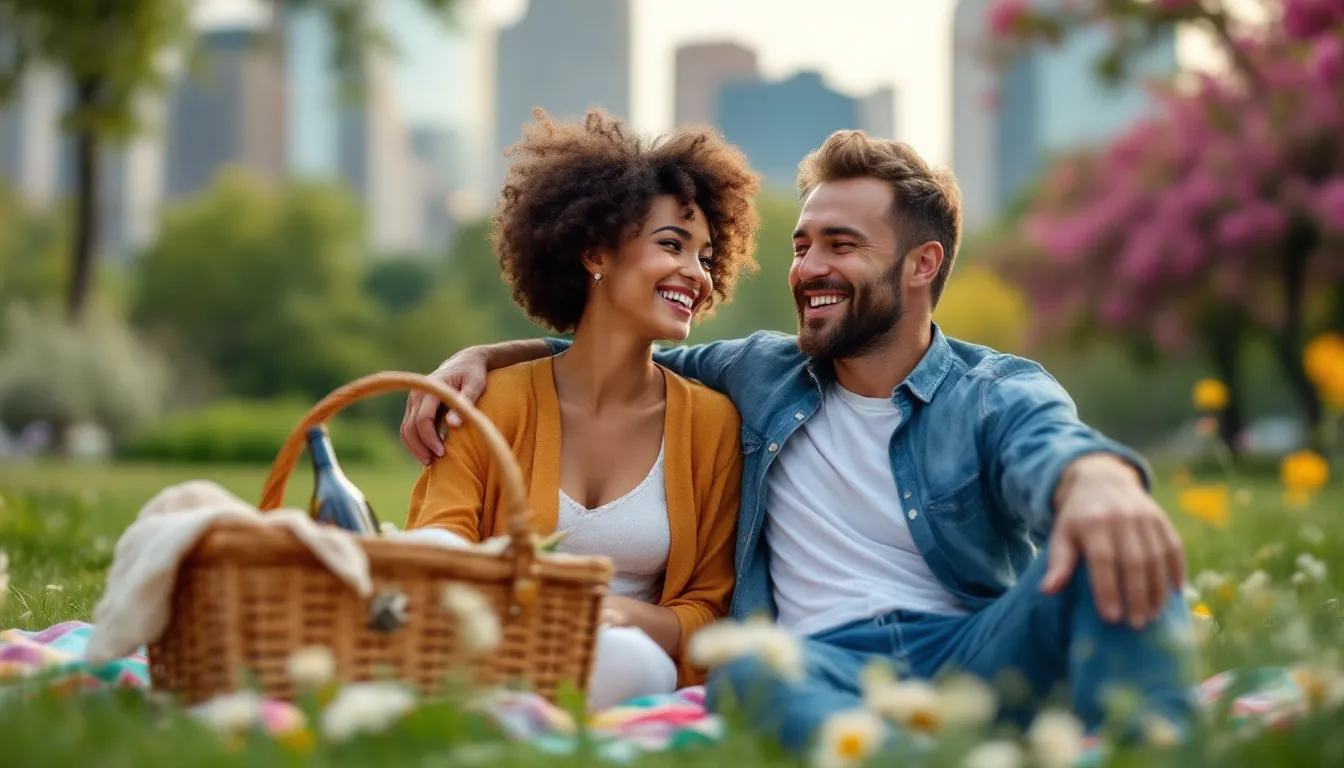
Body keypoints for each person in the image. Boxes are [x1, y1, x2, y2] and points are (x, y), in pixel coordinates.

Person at [401, 130, 1196, 750]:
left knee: (1124, 551)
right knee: (747, 670)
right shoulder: (760, 373)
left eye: (841, 245)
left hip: (973, 649)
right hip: (817, 664)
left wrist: (1097, 481)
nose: (809, 266)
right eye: (802, 244)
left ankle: (1153, 752)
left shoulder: (993, 392)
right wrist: (479, 359)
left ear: (922, 264)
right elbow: (606, 348)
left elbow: (1048, 443)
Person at [402, 108, 758, 713]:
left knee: (627, 659)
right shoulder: (493, 402)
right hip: (490, 648)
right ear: (596, 253)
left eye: (704, 255)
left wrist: (614, 613)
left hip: (628, 660)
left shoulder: (712, 423)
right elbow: (438, 550)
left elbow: (708, 609)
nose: (694, 274)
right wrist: (542, 612)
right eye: (671, 245)